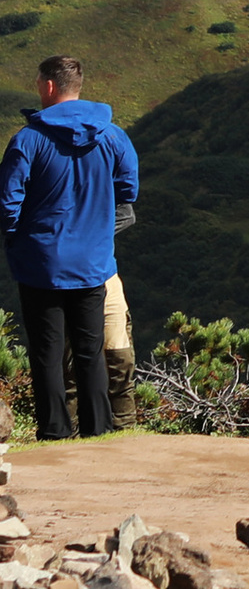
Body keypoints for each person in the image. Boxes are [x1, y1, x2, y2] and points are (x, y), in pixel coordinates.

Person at [0, 56, 139, 439]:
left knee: (47, 352)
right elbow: (129, 190)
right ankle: (99, 431)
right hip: (93, 261)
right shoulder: (112, 136)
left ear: (47, 86)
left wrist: (17, 237)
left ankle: (55, 432)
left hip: (41, 263)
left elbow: (7, 202)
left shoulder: (28, 140)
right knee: (90, 352)